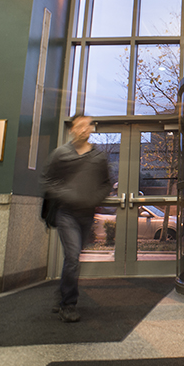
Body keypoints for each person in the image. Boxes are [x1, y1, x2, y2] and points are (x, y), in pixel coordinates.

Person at [41, 114, 112, 322]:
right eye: (79, 125)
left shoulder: (99, 156)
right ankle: (68, 305)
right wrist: (68, 195)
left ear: (92, 129)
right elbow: (47, 180)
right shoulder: (61, 154)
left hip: (87, 214)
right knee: (72, 257)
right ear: (72, 129)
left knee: (73, 259)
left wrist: (95, 198)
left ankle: (62, 293)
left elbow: (107, 183)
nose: (84, 129)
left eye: (87, 125)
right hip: (66, 213)